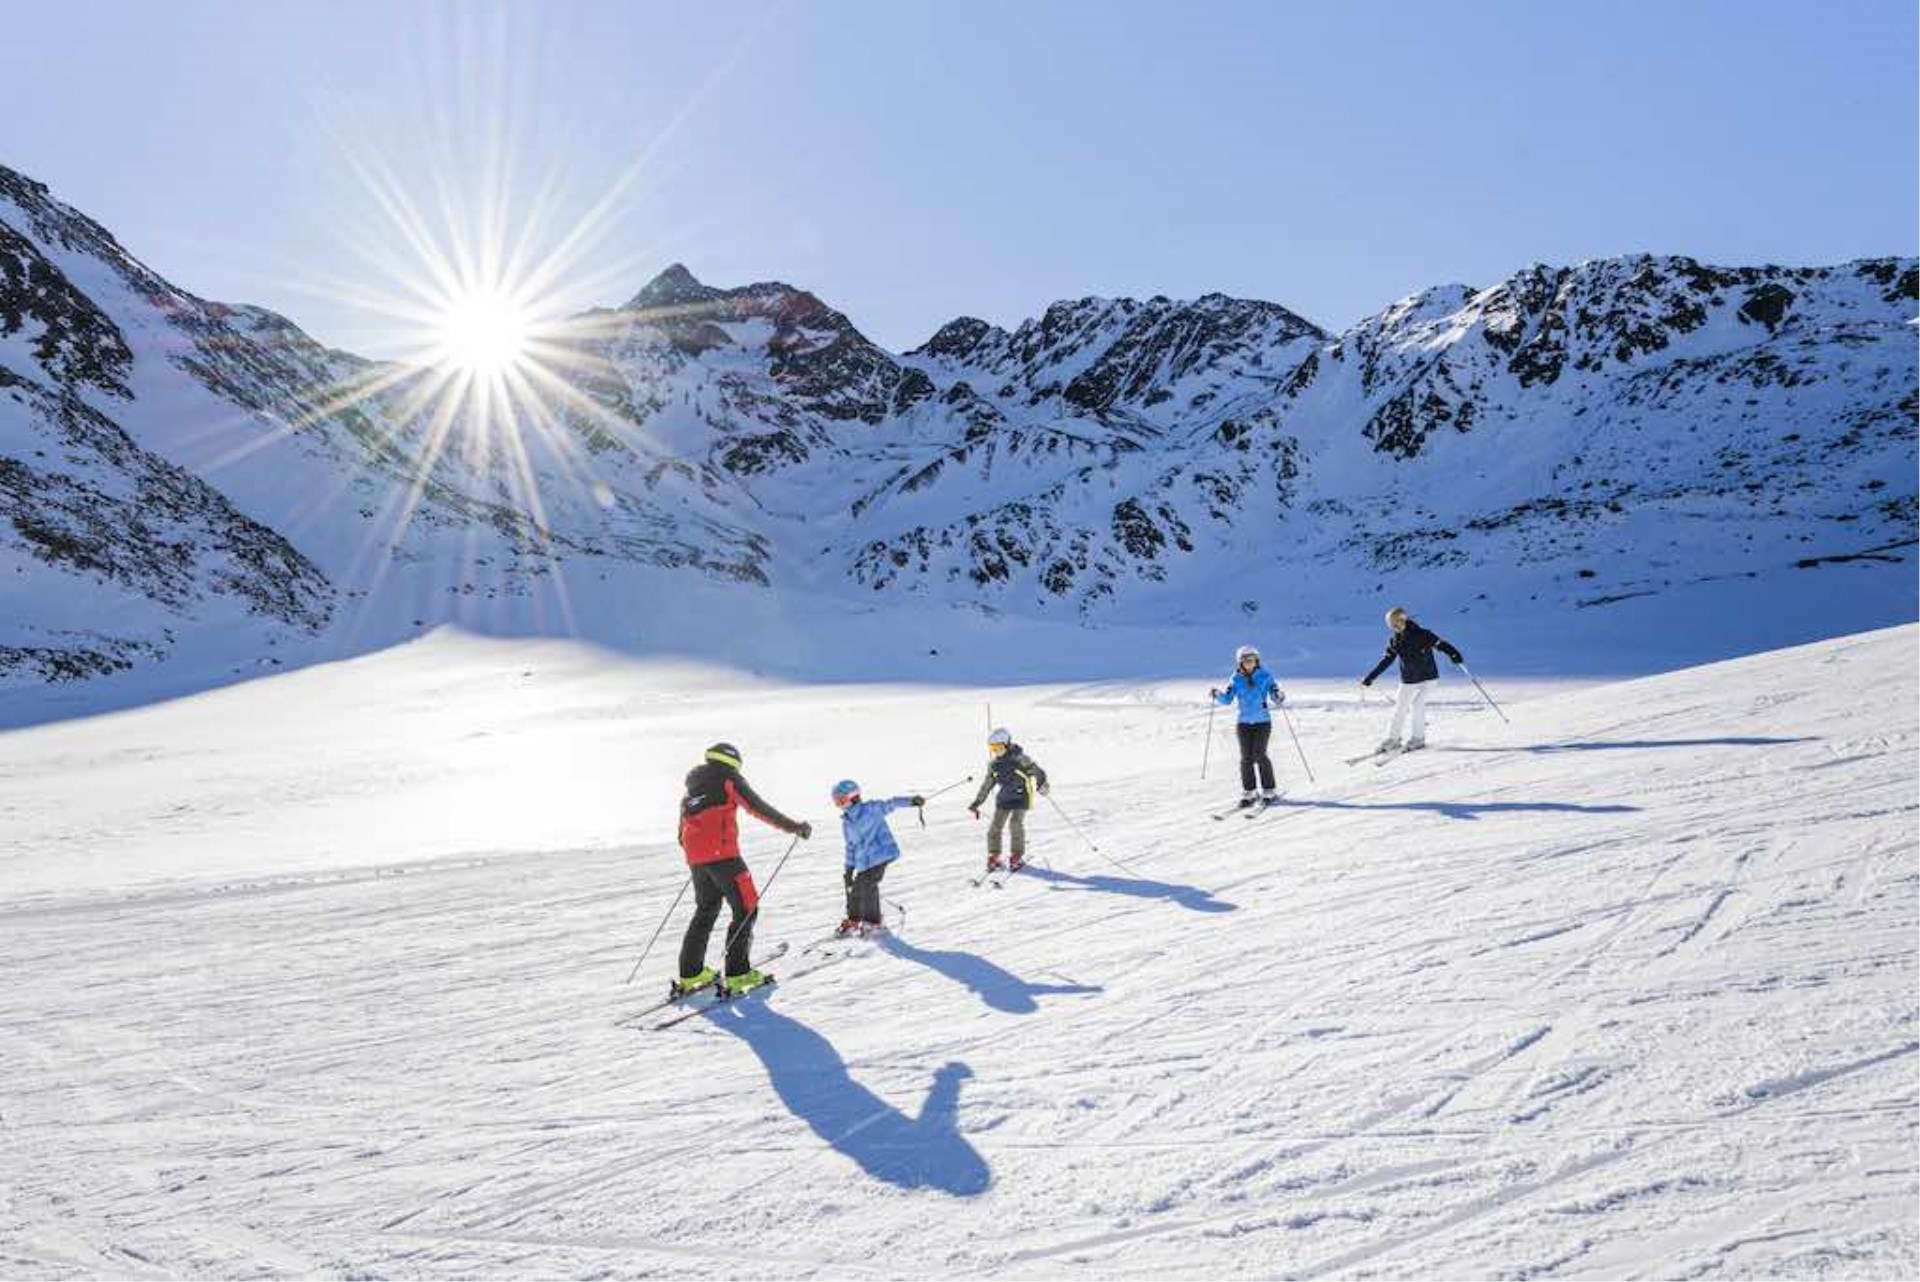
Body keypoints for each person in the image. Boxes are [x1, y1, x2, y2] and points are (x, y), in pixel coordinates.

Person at [674, 742, 811, 997]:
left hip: (697, 860)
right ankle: (738, 974)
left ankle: (690, 973)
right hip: (723, 856)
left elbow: (681, 834)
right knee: (746, 908)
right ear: (733, 761)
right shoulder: (728, 778)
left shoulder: (690, 792)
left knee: (705, 909)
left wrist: (699, 856)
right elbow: (756, 807)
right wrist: (794, 827)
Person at [1361, 607, 1464, 753]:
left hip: (1428, 678)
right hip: (1409, 679)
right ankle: (1393, 739)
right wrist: (1370, 677)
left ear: (1404, 620)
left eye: (1396, 623)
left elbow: (1441, 645)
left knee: (1416, 705)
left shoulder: (1423, 634)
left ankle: (1418, 738)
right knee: (1399, 708)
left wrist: (1454, 654)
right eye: (1391, 625)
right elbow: (1387, 660)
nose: (1394, 627)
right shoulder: (1395, 640)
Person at [831, 779, 924, 937]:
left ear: (853, 796)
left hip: (882, 853)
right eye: (836, 802)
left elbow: (892, 803)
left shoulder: (871, 809)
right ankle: (854, 920)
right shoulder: (846, 823)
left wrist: (911, 801)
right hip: (864, 863)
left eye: (841, 800)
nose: (839, 805)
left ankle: (874, 923)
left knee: (868, 884)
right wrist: (848, 868)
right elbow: (850, 846)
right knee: (854, 889)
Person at [1211, 643, 1286, 807]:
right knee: (1246, 759)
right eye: (1245, 660)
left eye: (1252, 659)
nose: (1249, 662)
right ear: (1240, 662)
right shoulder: (1235, 679)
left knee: (1260, 754)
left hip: (1262, 722)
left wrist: (1278, 695)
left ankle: (1269, 790)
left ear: (1257, 661)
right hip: (1244, 723)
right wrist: (1217, 695)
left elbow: (1275, 693)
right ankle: (1250, 792)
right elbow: (1228, 699)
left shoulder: (1265, 676)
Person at [966, 728, 1048, 874]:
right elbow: (987, 785)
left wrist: (1042, 784)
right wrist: (977, 802)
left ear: (1006, 744)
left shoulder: (1020, 758)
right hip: (1004, 798)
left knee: (1015, 824)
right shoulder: (994, 764)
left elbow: (1038, 771)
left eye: (997, 747)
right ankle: (994, 855)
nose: (995, 751)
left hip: (1022, 796)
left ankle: (1016, 856)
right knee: (994, 827)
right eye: (992, 748)